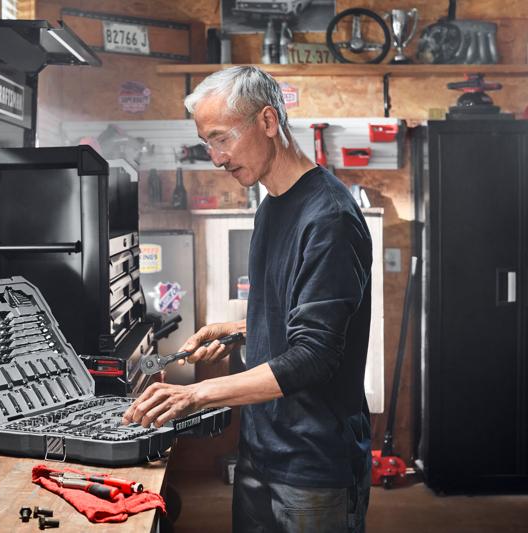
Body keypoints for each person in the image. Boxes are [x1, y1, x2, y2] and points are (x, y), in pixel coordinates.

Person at [122, 66, 373, 533]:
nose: (216, 158)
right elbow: (298, 316)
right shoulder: (271, 206)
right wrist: (242, 331)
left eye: (222, 139)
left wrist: (195, 394)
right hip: (260, 448)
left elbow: (316, 355)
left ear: (268, 121)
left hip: (313, 463)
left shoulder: (330, 218)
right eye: (207, 144)